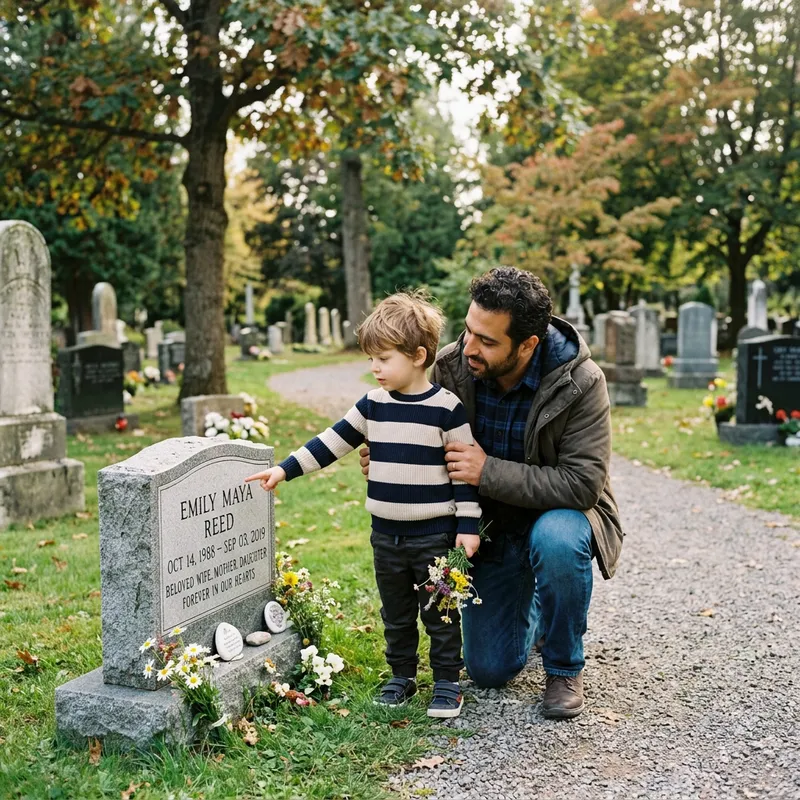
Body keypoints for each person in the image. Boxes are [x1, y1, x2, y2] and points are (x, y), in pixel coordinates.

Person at [360, 267, 623, 719]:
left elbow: (581, 484)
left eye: (487, 340)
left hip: (558, 515)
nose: (469, 347)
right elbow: (421, 432)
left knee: (557, 542)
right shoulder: (448, 366)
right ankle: (537, 606)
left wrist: (488, 472)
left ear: (527, 345)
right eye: (467, 330)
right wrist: (390, 454)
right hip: (487, 530)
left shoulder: (581, 382)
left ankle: (563, 667)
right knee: (488, 668)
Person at [245, 292, 482, 719]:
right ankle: (402, 675)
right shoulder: (372, 405)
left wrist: (467, 527)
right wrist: (284, 470)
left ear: (418, 356)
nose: (374, 368)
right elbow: (331, 442)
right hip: (385, 534)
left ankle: (447, 681)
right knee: (396, 611)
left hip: (435, 535)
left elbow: (464, 475)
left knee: (441, 612)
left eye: (384, 358)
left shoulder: (446, 410)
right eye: (371, 358)